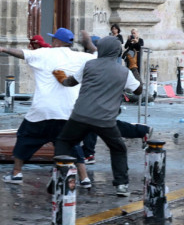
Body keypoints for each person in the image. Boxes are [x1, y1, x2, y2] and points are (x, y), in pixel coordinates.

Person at [0, 28, 93, 185]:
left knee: (25, 137)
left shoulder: (45, 53)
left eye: (53, 39)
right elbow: (102, 56)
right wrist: (89, 42)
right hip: (67, 112)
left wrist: (2, 48)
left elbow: (22, 53)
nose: (51, 41)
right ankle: (84, 178)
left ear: (57, 41)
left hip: (42, 110)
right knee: (72, 144)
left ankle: (16, 173)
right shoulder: (82, 57)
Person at [53, 37, 142, 196]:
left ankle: (60, 175)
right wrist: (134, 66)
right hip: (105, 120)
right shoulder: (124, 72)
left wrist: (62, 79)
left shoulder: (89, 65)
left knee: (64, 141)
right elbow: (138, 90)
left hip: (80, 115)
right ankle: (121, 185)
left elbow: (71, 82)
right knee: (118, 149)